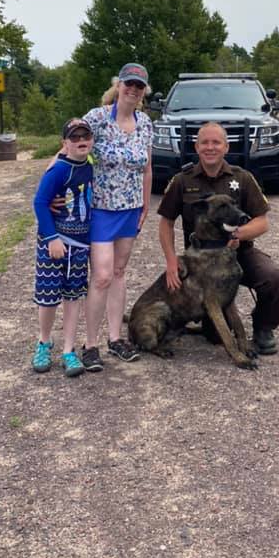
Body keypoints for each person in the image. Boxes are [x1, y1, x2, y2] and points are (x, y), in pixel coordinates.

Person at [157, 122, 279, 355]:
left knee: (272, 276)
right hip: (202, 261)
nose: (210, 147)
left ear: (226, 147)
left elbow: (262, 221)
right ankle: (202, 323)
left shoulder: (242, 178)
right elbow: (166, 222)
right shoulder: (182, 181)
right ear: (196, 147)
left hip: (238, 254)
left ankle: (264, 327)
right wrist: (171, 261)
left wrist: (237, 234)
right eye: (204, 142)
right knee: (214, 337)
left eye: (216, 142)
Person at [78, 62, 153, 371]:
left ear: (144, 91)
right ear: (119, 85)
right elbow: (71, 145)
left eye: (139, 86)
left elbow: (147, 167)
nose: (133, 90)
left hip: (130, 209)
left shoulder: (146, 123)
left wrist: (146, 204)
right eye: (129, 84)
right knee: (102, 275)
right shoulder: (97, 118)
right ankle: (90, 343)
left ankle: (115, 338)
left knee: (120, 273)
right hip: (101, 208)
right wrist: (53, 182)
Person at [31, 118, 94, 378]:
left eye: (85, 137)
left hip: (80, 244)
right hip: (55, 243)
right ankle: (44, 342)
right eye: (75, 138)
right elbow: (40, 202)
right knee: (48, 297)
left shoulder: (91, 163)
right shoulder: (58, 169)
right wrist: (51, 238)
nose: (81, 141)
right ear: (65, 143)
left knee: (73, 297)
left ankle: (69, 349)